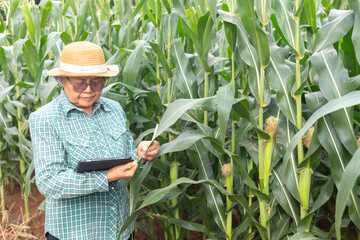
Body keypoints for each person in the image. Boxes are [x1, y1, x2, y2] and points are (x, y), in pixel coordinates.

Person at [29, 41, 160, 240]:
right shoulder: (46, 119)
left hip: (120, 229)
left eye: (97, 82)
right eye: (80, 82)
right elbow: (50, 181)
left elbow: (125, 158)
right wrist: (106, 177)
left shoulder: (114, 109)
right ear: (62, 80)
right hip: (75, 232)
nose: (89, 89)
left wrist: (142, 152)